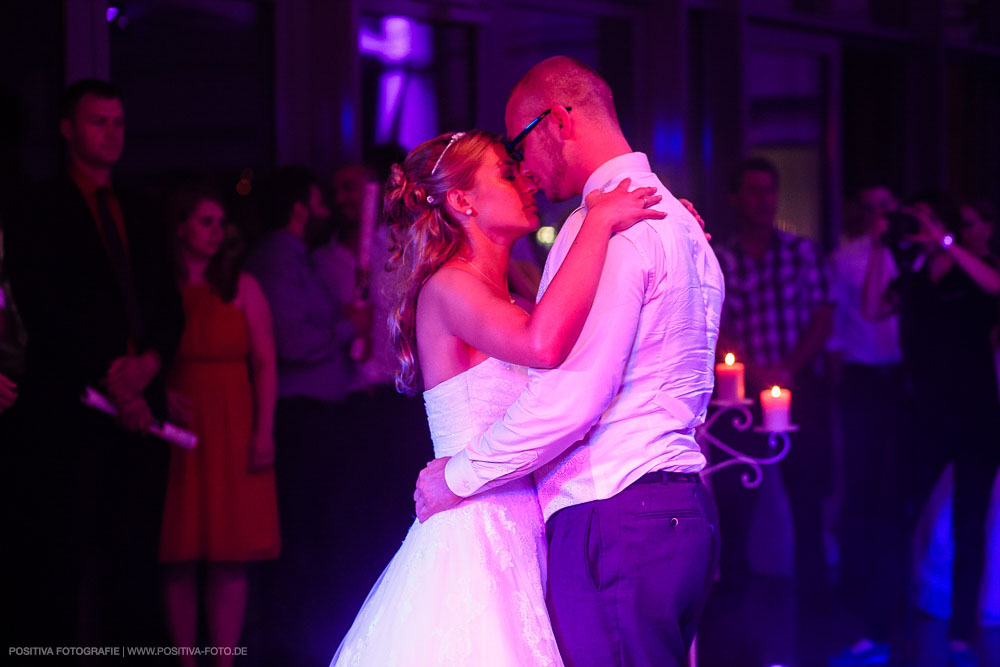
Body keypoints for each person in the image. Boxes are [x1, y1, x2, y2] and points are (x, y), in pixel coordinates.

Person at [415, 56, 723, 667]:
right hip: (677, 513)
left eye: (518, 148)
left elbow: (571, 393)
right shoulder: (677, 225)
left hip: (617, 515)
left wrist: (453, 477)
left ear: (558, 121)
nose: (524, 171)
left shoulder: (609, 227)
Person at [331, 122, 667, 666]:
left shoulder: (513, 294)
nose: (528, 181)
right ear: (462, 200)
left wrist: (654, 243)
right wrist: (599, 221)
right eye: (508, 174)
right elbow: (544, 345)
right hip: (474, 532)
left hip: (524, 526)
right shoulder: (449, 285)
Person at [2, 78, 184, 653]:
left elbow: (167, 302)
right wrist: (113, 376)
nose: (111, 133)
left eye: (118, 123)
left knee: (136, 562)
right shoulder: (39, 205)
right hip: (69, 408)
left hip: (140, 405)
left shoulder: (140, 205)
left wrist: (150, 363)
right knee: (61, 560)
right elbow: (44, 303)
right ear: (67, 129)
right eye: (98, 122)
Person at [861, 193, 1000, 666]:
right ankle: (882, 630)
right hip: (922, 415)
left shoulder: (976, 271)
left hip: (979, 417)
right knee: (895, 518)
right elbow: (873, 308)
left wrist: (943, 241)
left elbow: (996, 286)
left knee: (970, 524)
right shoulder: (915, 279)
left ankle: (962, 633)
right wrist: (882, 246)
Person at [245, 167, 372, 664]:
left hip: (320, 415)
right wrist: (347, 327)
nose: (325, 211)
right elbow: (292, 340)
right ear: (299, 208)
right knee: (301, 533)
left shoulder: (296, 259)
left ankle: (307, 637)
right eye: (318, 201)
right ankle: (292, 644)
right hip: (301, 417)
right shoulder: (278, 260)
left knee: (319, 531)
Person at [158, 184, 280, 667]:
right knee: (179, 552)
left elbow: (266, 363)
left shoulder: (242, 286)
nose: (214, 232)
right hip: (181, 427)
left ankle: (224, 660)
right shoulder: (162, 286)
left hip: (233, 423)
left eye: (218, 223)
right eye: (204, 221)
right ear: (181, 225)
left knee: (230, 552)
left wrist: (264, 431)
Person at [713, 157, 835, 603]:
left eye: (769, 190)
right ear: (735, 198)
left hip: (799, 387)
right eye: (753, 190)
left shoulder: (802, 252)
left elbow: (823, 315)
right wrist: (756, 370)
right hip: (738, 397)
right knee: (735, 497)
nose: (763, 200)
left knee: (807, 495)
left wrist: (788, 368)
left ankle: (816, 601)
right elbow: (714, 324)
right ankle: (733, 599)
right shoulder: (721, 258)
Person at [826, 183, 908, 666]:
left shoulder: (910, 257)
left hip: (901, 379)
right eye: (873, 207)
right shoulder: (848, 256)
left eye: (887, 207)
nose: (880, 214)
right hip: (860, 377)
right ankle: (855, 596)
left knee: (891, 494)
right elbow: (842, 323)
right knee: (857, 489)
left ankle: (892, 605)